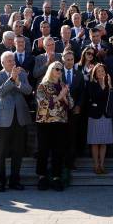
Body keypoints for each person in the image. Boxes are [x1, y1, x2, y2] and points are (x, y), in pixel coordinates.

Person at [0, 51, 32, 192]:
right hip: (3, 120)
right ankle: (0, 182)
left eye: (13, 60)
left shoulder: (22, 74)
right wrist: (12, 79)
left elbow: (28, 91)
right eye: (9, 61)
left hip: (20, 118)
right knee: (1, 152)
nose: (12, 62)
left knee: (18, 151)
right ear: (3, 63)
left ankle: (15, 181)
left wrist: (18, 80)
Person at [35, 61, 74, 191]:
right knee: (43, 150)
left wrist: (64, 97)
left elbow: (71, 104)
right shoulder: (43, 85)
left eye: (61, 69)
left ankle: (56, 177)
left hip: (61, 122)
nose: (59, 71)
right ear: (51, 70)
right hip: (45, 123)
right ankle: (42, 177)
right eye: (57, 69)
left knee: (58, 151)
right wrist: (59, 97)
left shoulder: (64, 86)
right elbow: (42, 103)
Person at [83, 63, 113, 174]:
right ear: (95, 73)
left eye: (102, 71)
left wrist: (109, 85)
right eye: (99, 71)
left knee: (104, 142)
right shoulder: (91, 84)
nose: (101, 73)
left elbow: (111, 99)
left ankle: (102, 165)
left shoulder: (108, 83)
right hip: (95, 116)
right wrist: (102, 87)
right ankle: (96, 165)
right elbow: (94, 97)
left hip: (106, 115)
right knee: (95, 142)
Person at [61, 50, 85, 174]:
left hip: (74, 111)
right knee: (60, 136)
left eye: (71, 59)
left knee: (72, 137)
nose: (69, 61)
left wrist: (79, 105)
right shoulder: (58, 74)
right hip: (60, 110)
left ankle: (70, 162)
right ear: (63, 60)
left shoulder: (79, 74)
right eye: (67, 59)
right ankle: (61, 161)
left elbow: (82, 92)